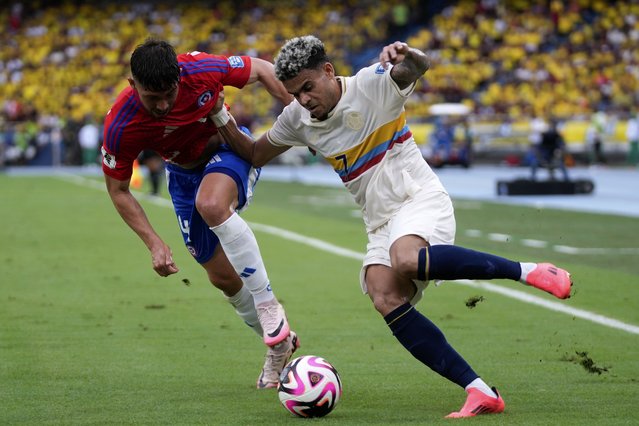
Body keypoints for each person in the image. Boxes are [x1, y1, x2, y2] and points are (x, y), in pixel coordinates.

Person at [210, 36, 573, 418]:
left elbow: (416, 67)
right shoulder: (298, 119)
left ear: (329, 72)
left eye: (308, 88)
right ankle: (480, 391)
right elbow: (253, 152)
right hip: (380, 221)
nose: (303, 100)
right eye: (294, 94)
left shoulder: (372, 84)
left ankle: (528, 271)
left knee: (405, 260)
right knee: (384, 295)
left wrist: (406, 54)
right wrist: (221, 116)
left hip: (418, 198)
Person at [100, 38, 299, 389]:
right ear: (133, 86)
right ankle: (280, 346)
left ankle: (269, 305)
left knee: (211, 205)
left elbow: (264, 69)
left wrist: (299, 114)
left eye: (169, 94)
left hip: (229, 150)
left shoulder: (202, 70)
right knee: (221, 277)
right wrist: (154, 243)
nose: (162, 105)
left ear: (179, 75)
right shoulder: (121, 124)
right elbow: (118, 190)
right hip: (181, 174)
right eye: (152, 97)